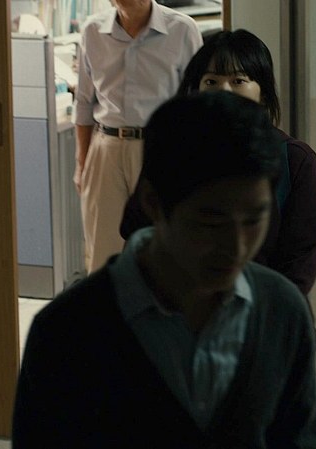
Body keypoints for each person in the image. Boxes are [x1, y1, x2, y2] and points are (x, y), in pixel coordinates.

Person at [12, 92, 316, 448]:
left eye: (254, 220)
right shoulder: (66, 333)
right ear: (153, 202)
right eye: (211, 222)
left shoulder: (282, 311)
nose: (237, 246)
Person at [120, 29, 316, 296]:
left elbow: (299, 265)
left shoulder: (295, 161)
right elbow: (137, 234)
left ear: (263, 93)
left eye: (238, 80)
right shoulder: (172, 151)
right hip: (172, 307)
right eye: (211, 81)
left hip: (260, 310)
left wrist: (264, 312)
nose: (224, 91)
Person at [73, 0, 202, 273]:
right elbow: (83, 102)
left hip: (162, 149)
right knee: (103, 252)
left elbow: (196, 102)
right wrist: (82, 163)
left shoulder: (182, 30)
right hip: (106, 148)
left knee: (164, 248)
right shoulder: (92, 31)